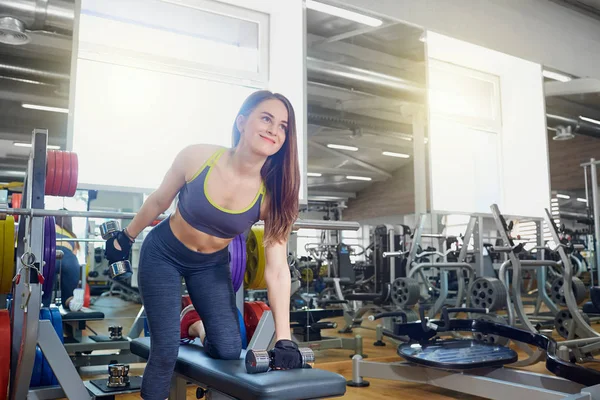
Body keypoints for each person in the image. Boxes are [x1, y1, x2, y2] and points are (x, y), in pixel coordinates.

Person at [104, 90, 301, 400]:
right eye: (266, 118)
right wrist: (126, 236)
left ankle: (193, 324)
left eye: (283, 126)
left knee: (227, 349)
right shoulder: (197, 157)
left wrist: (284, 338)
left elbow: (277, 271)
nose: (273, 130)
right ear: (241, 121)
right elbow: (158, 200)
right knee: (166, 349)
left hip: (210, 266)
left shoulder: (273, 196)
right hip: (164, 255)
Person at [48, 214, 85, 311]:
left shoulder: (49, 228)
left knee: (44, 296)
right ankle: (72, 302)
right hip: (70, 260)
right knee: (68, 297)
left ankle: (44, 307)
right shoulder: (72, 235)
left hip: (50, 256)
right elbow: (74, 253)